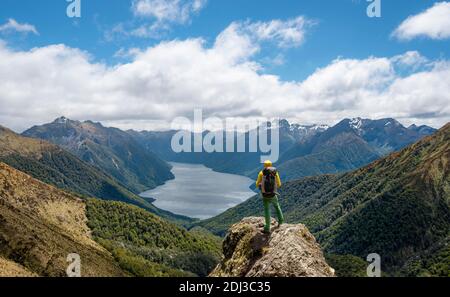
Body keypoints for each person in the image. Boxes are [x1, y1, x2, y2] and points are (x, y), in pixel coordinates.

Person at [255, 160, 284, 233]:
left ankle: (267, 228)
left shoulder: (261, 173)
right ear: (271, 165)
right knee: (277, 206)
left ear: (264, 166)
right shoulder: (275, 173)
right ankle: (281, 222)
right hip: (273, 194)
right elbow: (279, 184)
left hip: (265, 195)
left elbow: (257, 184)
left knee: (267, 209)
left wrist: (262, 185)